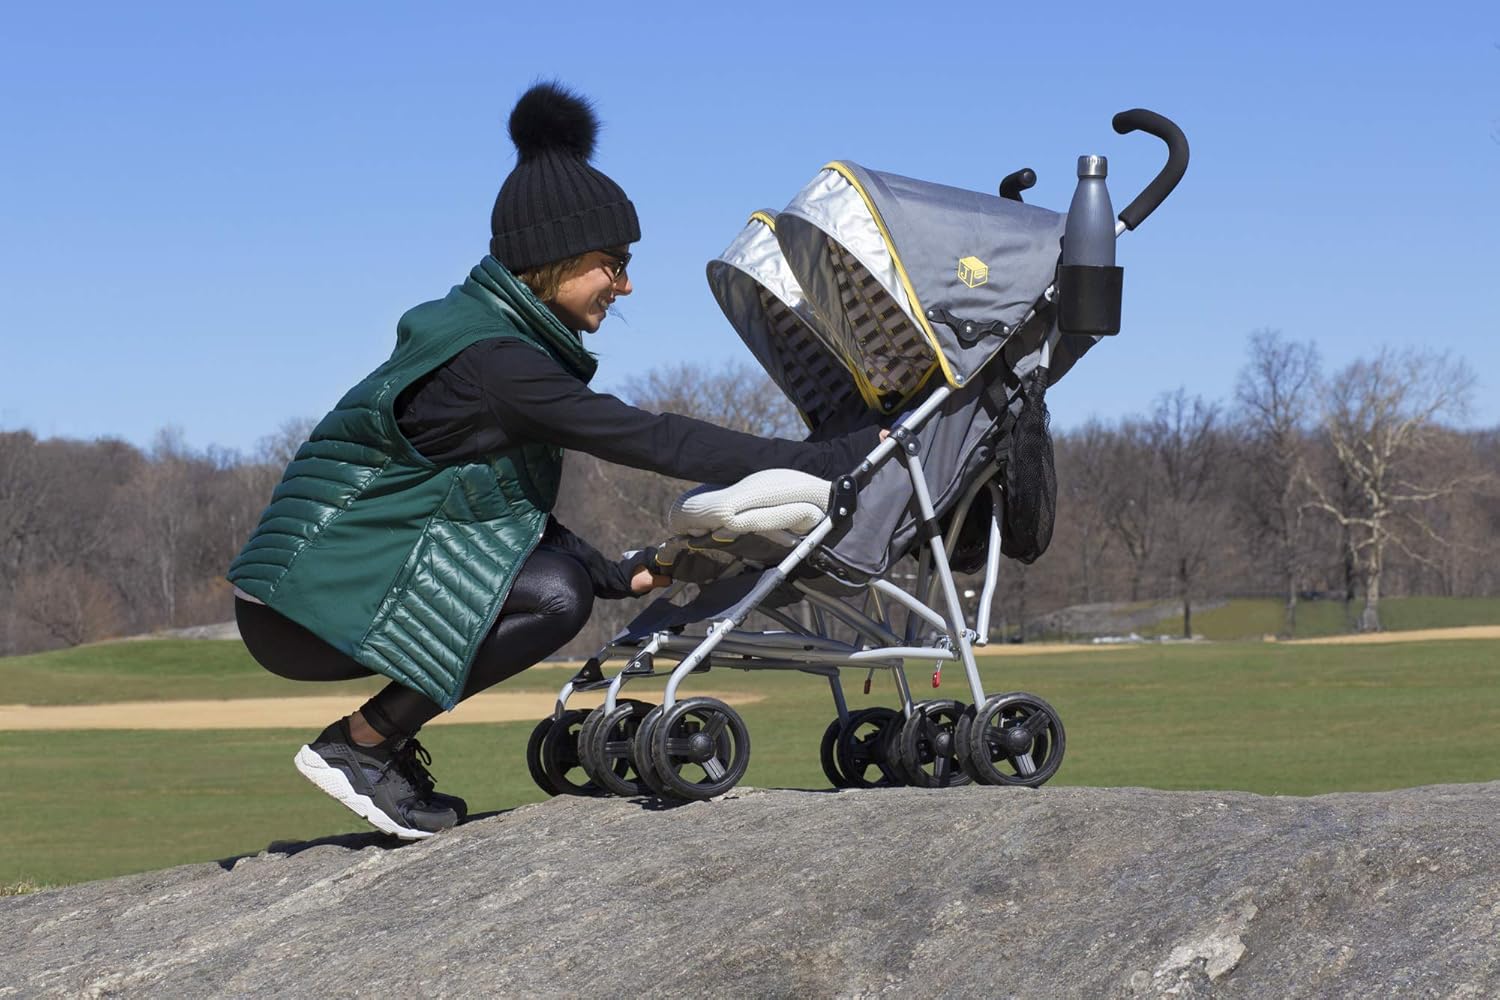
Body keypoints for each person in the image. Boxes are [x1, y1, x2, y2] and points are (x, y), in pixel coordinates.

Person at [227, 81, 880, 840]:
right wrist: (825, 459)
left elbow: (495, 506)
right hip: (303, 603)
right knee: (555, 598)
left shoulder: (482, 339)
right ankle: (363, 746)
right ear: (556, 257)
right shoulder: (497, 363)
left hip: (304, 593)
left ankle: (370, 745)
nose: (625, 284)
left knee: (566, 583)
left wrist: (616, 573)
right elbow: (651, 438)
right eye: (613, 263)